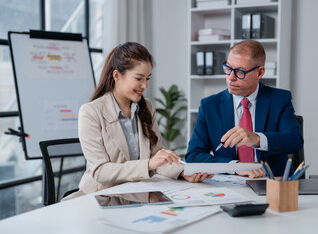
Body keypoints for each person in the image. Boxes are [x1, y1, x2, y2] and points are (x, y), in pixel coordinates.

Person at [64, 42, 212, 201]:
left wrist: (182, 172)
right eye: (139, 78)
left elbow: (156, 155)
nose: (145, 85)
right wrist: (148, 165)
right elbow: (100, 171)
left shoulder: (146, 106)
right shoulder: (91, 112)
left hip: (138, 193)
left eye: (147, 78)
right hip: (102, 197)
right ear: (116, 75)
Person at [185, 40, 303, 178]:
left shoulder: (279, 99)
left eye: (240, 71)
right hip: (230, 183)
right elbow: (194, 155)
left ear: (260, 73)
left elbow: (294, 140)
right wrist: (234, 167)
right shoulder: (209, 105)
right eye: (228, 68)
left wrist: (257, 138)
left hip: (273, 183)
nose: (231, 77)